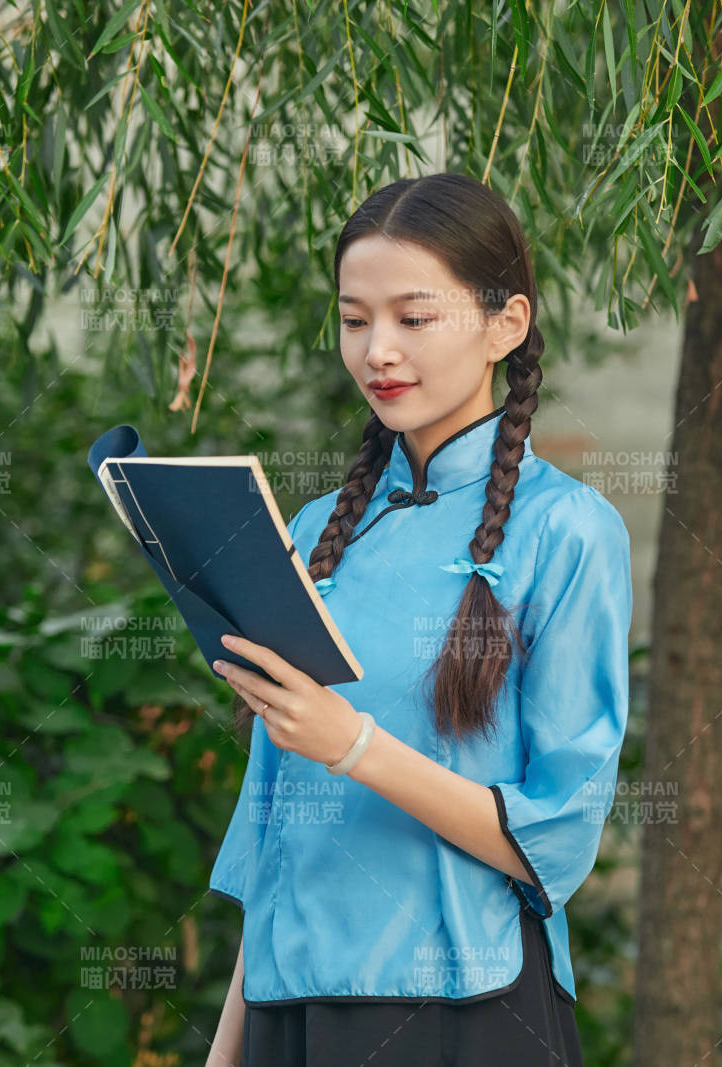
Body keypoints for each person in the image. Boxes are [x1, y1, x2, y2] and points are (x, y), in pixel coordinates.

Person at [204, 172, 632, 1066]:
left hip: (462, 1009)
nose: (377, 352)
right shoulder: (318, 530)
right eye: (354, 320)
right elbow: (277, 837)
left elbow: (552, 835)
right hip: (292, 1010)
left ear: (505, 324)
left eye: (413, 317)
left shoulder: (569, 530)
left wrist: (352, 745)